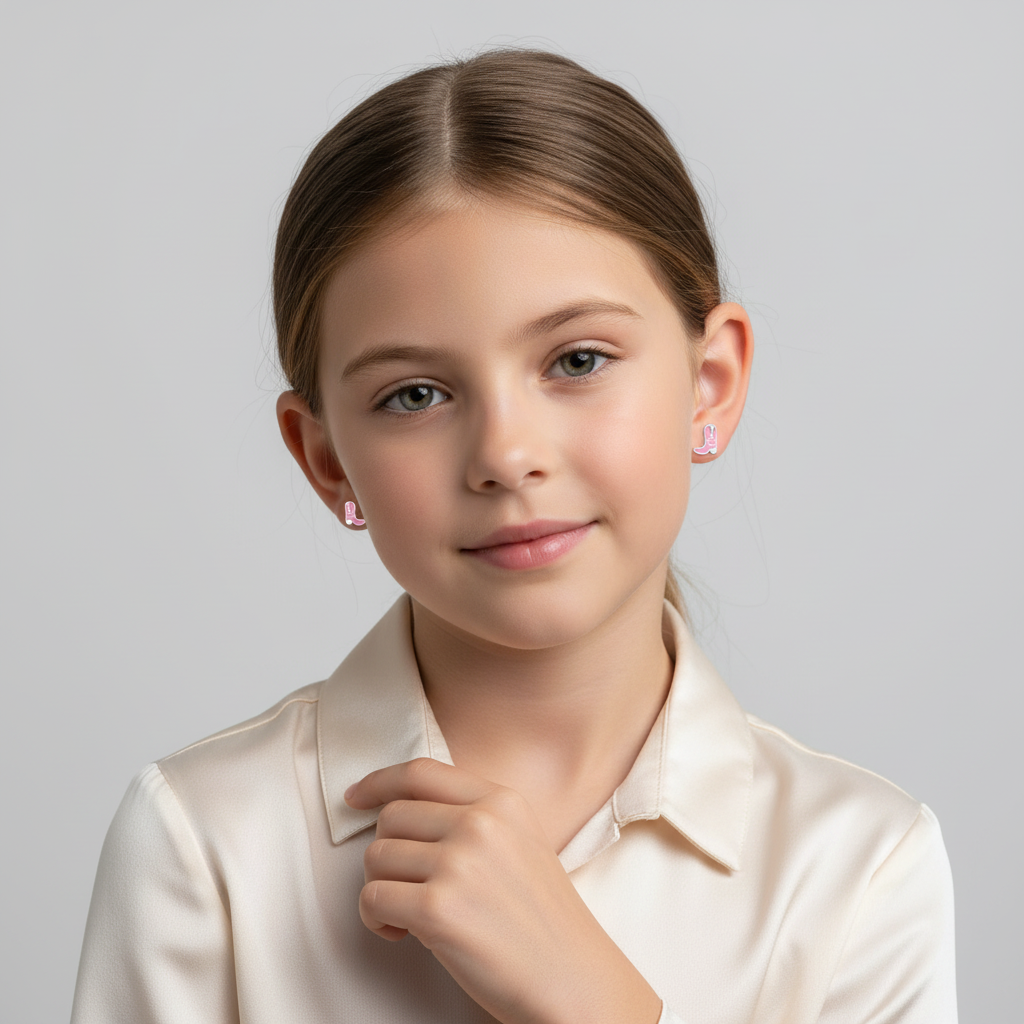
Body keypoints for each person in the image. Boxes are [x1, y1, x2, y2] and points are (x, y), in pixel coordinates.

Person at [70, 46, 958, 1024]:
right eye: (415, 394)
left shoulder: (861, 868)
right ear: (325, 458)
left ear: (709, 384)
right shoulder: (207, 843)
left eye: (577, 358)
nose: (505, 453)